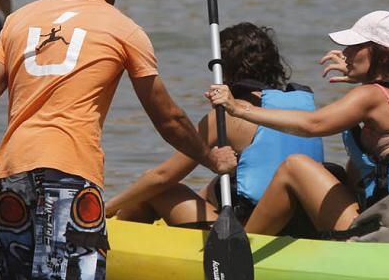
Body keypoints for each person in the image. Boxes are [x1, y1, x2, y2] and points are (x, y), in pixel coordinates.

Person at [0, 0, 237, 280]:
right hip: (70, 172)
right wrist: (212, 160)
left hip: (14, 172)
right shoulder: (123, 29)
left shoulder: (20, 19)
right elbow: (169, 120)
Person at [206, 10, 389, 237]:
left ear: (382, 53)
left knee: (295, 166)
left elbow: (314, 125)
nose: (345, 54)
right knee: (334, 171)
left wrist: (239, 108)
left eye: (354, 47)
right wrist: (365, 78)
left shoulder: (371, 95)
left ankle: (241, 247)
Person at [107, 22, 324, 227]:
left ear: (225, 70)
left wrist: (108, 208)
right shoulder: (302, 109)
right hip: (304, 225)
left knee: (153, 190)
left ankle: (111, 237)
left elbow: (162, 177)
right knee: (215, 187)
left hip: (251, 232)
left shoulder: (225, 116)